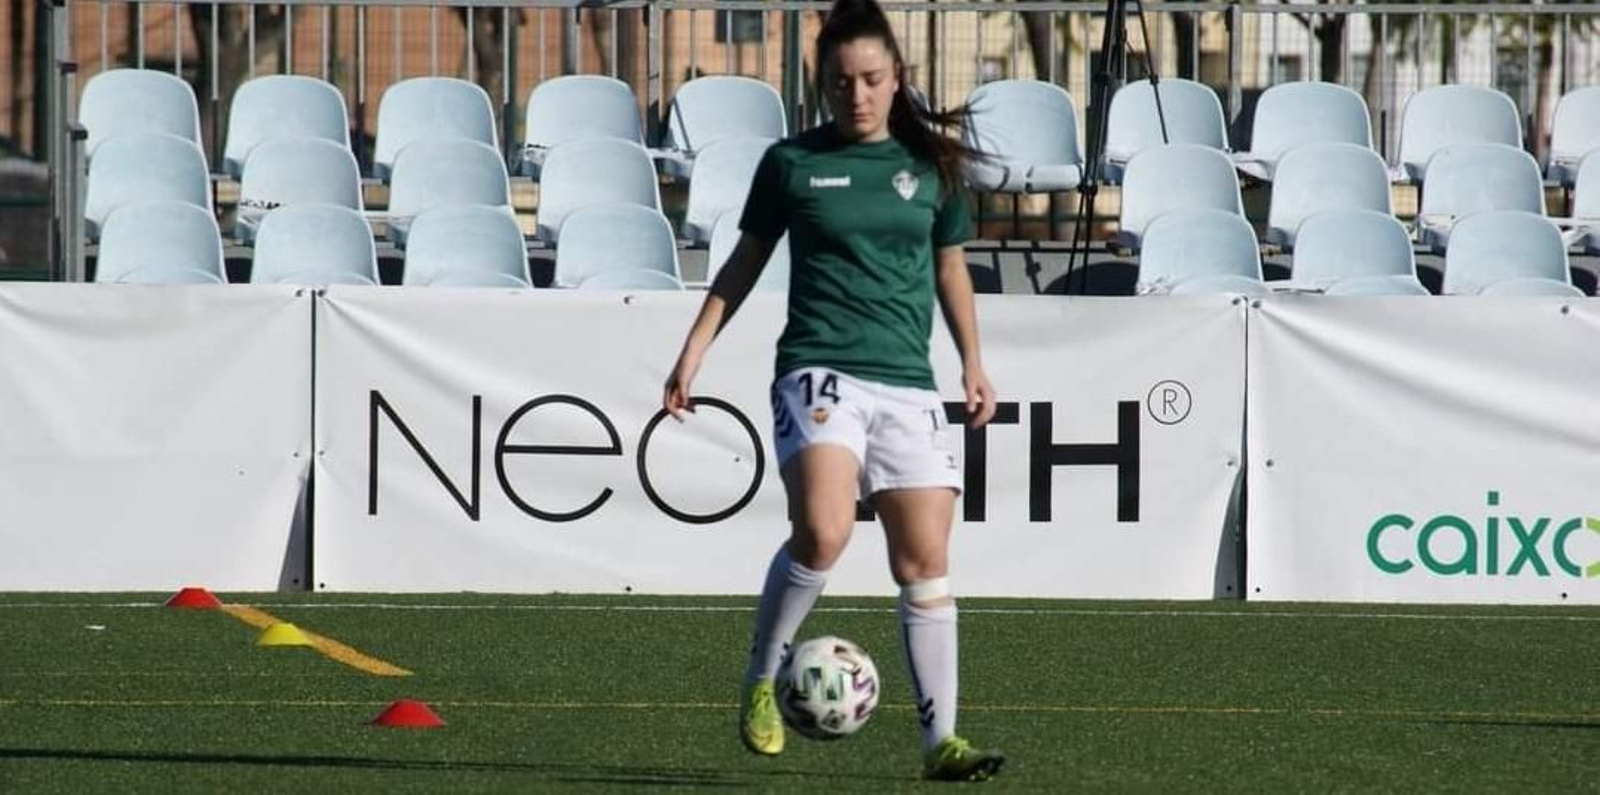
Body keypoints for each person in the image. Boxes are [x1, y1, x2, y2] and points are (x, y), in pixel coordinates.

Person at [661, 0, 1003, 782]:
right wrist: (694, 351)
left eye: (872, 79)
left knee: (926, 562)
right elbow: (744, 262)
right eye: (842, 81)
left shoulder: (934, 169)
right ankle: (758, 678)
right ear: (822, 82)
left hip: (907, 385)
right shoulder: (792, 163)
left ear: (897, 80)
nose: (858, 95)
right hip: (819, 369)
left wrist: (972, 363)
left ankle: (939, 742)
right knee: (823, 533)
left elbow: (951, 267)